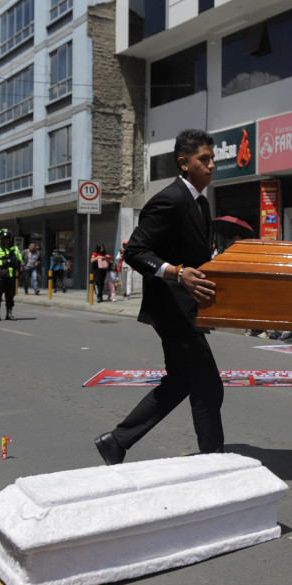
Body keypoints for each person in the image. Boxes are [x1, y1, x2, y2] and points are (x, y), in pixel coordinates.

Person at [94, 129, 225, 465]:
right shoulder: (170, 199)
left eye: (212, 159)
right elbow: (136, 251)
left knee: (182, 380)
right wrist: (177, 272)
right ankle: (215, 462)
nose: (211, 166)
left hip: (187, 308)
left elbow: (197, 256)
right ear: (184, 163)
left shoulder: (201, 202)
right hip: (171, 308)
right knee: (208, 385)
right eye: (204, 160)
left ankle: (116, 441)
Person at [0, 229, 23, 321]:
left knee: (10, 296)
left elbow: (20, 261)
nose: (6, 240)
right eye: (4, 238)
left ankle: (9, 313)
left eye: (7, 238)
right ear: (0, 239)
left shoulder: (15, 248)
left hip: (11, 276)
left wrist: (20, 273)